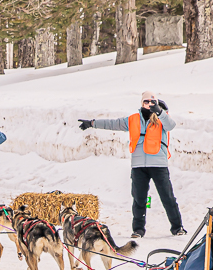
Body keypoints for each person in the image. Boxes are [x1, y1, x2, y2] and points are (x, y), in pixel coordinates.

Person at [78, 92, 186, 238]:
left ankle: (177, 227)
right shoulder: (133, 119)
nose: (149, 104)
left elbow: (171, 125)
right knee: (139, 198)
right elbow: (113, 124)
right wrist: (91, 123)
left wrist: (159, 112)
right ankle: (138, 230)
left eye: (152, 101)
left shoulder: (163, 118)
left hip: (158, 164)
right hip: (138, 165)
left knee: (167, 197)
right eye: (146, 101)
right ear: (142, 103)